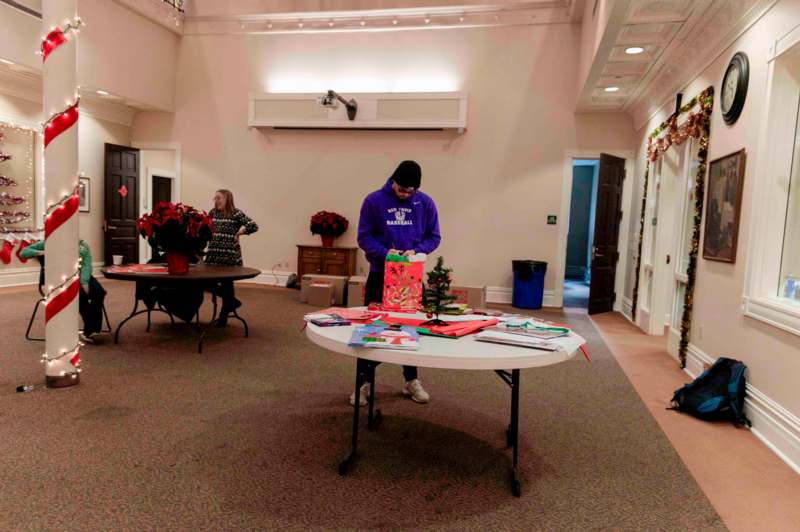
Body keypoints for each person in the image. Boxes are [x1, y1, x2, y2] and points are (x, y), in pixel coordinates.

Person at [353, 160, 441, 406]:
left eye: (409, 191)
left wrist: (415, 252)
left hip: (410, 277)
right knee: (372, 329)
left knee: (410, 328)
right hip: (380, 274)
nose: (404, 194)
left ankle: (411, 380)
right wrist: (386, 253)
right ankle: (363, 383)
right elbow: (364, 236)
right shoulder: (373, 201)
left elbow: (434, 236)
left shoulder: (425, 203)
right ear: (393, 180)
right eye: (401, 188)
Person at [21, 239, 106, 344]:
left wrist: (84, 282)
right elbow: (24, 253)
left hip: (81, 276)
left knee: (99, 292)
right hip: (57, 280)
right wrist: (42, 252)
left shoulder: (82, 245)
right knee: (79, 294)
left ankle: (92, 328)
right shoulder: (48, 242)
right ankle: (91, 330)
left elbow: (86, 265)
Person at [205, 189, 258, 326]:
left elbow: (253, 226)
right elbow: (207, 229)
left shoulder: (236, 213)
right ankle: (232, 301)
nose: (215, 200)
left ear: (227, 199)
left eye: (218, 198)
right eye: (214, 198)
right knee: (206, 283)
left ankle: (223, 317)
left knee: (227, 284)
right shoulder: (213, 212)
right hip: (214, 255)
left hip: (230, 256)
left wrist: (240, 233)